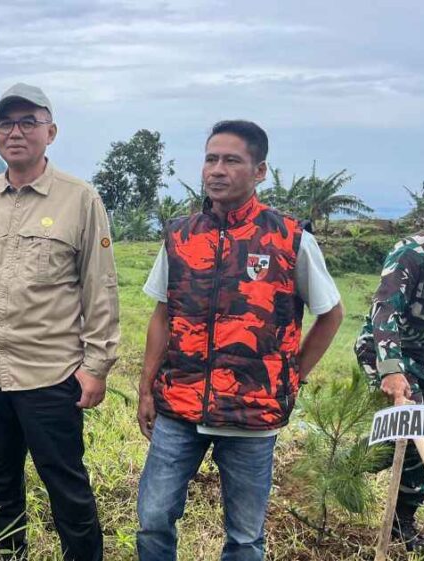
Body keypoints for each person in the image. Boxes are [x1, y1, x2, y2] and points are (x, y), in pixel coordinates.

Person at [135, 120, 344, 561]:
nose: (217, 169)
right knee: (153, 519)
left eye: (231, 160)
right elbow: (161, 315)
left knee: (245, 537)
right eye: (211, 159)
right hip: (179, 406)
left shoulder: (290, 238)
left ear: (259, 171)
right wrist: (145, 388)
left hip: (252, 414)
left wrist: (293, 375)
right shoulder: (180, 236)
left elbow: (331, 314)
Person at [0, 83, 119, 561]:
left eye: (27, 123)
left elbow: (100, 288)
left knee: (66, 484)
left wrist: (97, 366)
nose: (15, 132)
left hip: (50, 374)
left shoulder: (79, 200)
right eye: (6, 123)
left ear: (50, 132)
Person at [355, 198, 424, 551]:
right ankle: (351, 464)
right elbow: (384, 311)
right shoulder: (415, 252)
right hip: (390, 350)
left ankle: (402, 519)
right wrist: (392, 370)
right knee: (414, 430)